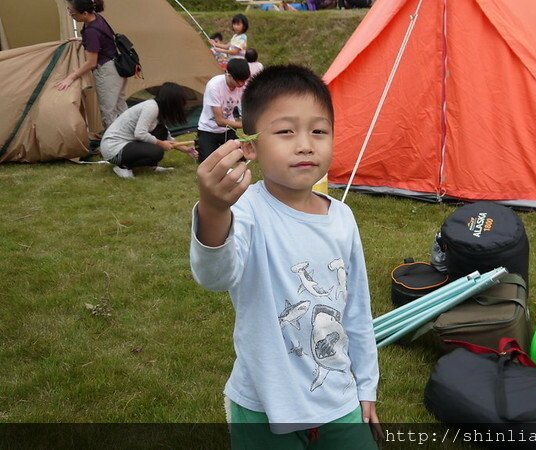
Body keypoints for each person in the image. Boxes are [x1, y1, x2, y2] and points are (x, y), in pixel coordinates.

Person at [190, 64, 380, 449]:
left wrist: (367, 385)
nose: (305, 144)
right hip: (263, 403)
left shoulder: (342, 218)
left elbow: (357, 310)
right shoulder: (245, 211)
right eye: (285, 131)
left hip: (338, 397)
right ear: (251, 147)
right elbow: (215, 276)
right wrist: (213, 209)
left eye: (318, 131)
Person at [100, 82, 197, 179]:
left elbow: (167, 137)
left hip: (128, 144)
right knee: (157, 151)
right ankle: (122, 167)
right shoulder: (151, 108)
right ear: (172, 101)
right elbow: (140, 133)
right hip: (113, 149)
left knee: (161, 132)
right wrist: (161, 144)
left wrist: (186, 149)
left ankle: (151, 166)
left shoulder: (159, 110)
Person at [55, 0, 128, 129]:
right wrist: (83, 40)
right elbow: (104, 39)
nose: (71, 15)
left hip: (107, 72)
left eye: (73, 14)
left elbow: (91, 63)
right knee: (120, 107)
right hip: (117, 66)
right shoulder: (96, 18)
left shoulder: (91, 31)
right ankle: (130, 140)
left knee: (108, 112)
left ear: (84, 13)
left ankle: (112, 144)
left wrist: (71, 77)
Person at [196, 59, 250, 163]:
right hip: (208, 129)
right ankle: (201, 146)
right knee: (208, 162)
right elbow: (219, 121)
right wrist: (244, 124)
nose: (242, 84)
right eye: (239, 81)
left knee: (242, 156)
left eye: (244, 80)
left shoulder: (242, 86)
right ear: (228, 74)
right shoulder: (214, 86)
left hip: (227, 130)